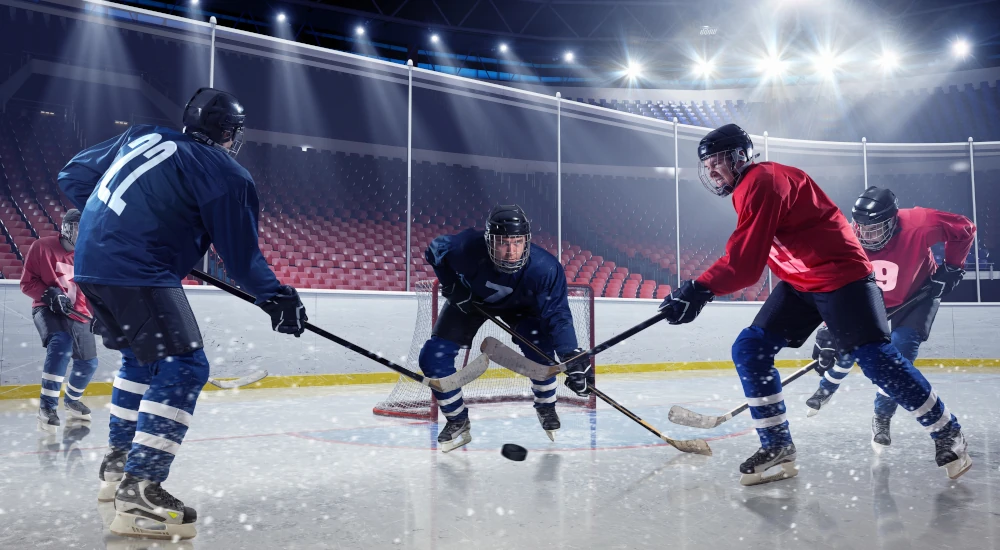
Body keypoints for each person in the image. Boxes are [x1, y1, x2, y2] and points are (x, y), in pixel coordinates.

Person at [657, 123, 971, 485]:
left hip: (842, 277)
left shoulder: (762, 181)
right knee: (750, 348)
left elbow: (745, 263)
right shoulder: (748, 187)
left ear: (740, 156)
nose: (712, 170)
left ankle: (947, 431)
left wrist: (699, 288)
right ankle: (777, 446)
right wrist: (700, 289)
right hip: (801, 282)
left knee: (875, 359)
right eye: (707, 164)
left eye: (718, 161)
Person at [57, 87, 307, 540]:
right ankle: (141, 490)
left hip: (91, 263)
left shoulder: (141, 135)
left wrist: (128, 221)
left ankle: (119, 464)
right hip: (137, 268)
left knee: (141, 360)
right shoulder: (226, 172)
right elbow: (241, 261)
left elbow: (72, 176)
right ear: (229, 132)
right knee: (186, 366)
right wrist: (277, 297)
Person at [803, 187, 974, 456]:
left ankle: (882, 416)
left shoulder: (919, 223)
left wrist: (953, 266)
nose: (866, 235)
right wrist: (828, 327)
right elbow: (835, 286)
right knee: (847, 348)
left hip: (918, 296)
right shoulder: (847, 239)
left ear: (893, 221)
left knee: (899, 358)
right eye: (862, 228)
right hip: (873, 298)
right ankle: (826, 388)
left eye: (874, 229)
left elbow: (964, 228)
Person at [421, 204, 590, 452]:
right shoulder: (466, 247)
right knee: (432, 358)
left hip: (521, 307)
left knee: (542, 353)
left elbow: (558, 314)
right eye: (502, 243)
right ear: (489, 240)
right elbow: (435, 250)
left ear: (526, 241)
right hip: (470, 302)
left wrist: (570, 354)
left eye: (517, 242)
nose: (511, 251)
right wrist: (452, 286)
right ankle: (457, 420)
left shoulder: (545, 268)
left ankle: (546, 406)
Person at [20, 208, 98, 433]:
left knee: (89, 363)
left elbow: (94, 291)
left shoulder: (90, 255)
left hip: (79, 313)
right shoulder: (41, 247)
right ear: (66, 228)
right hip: (47, 308)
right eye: (79, 227)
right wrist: (48, 294)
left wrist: (100, 315)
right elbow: (27, 283)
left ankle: (72, 400)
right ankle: (47, 407)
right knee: (62, 345)